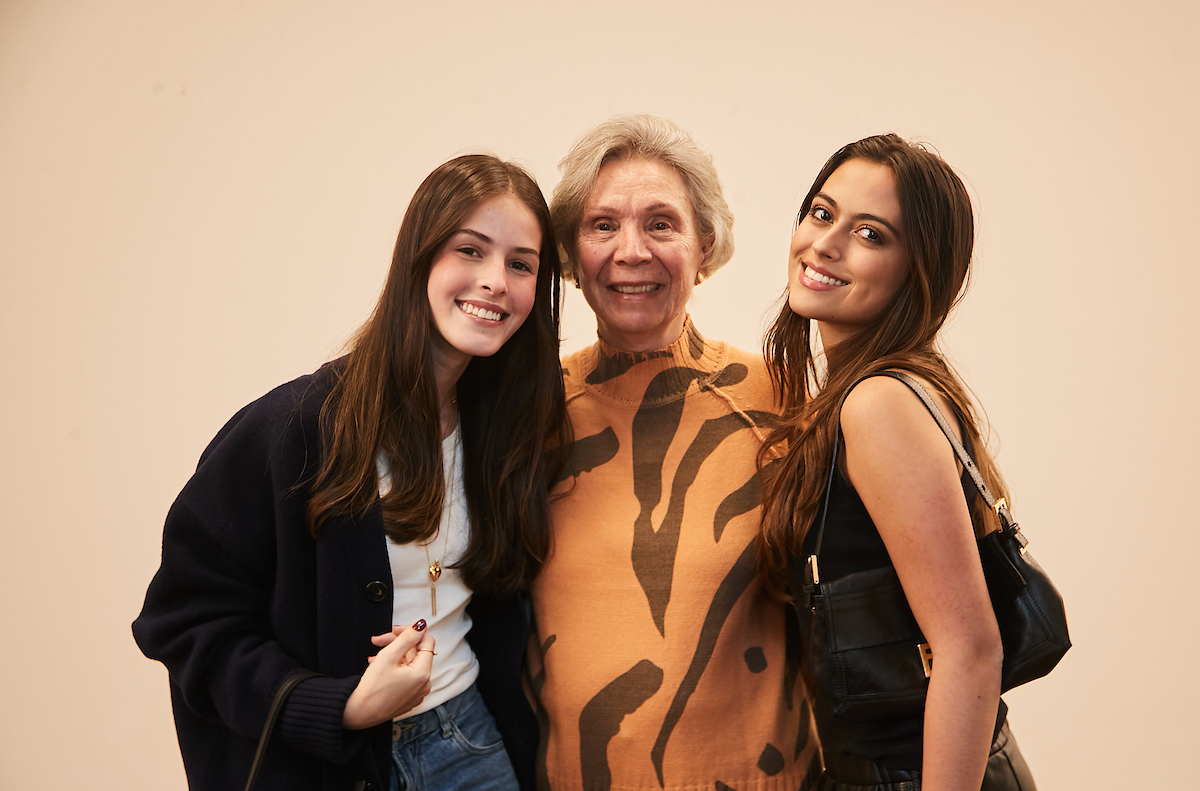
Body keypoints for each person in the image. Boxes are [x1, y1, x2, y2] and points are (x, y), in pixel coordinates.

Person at [133, 154, 566, 791]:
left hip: (469, 744)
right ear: (419, 259)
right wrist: (340, 706)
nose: (496, 281)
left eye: (520, 264)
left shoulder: (511, 430)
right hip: (330, 767)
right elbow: (184, 620)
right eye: (470, 251)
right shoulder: (292, 428)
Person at [530, 114, 820, 790]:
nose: (631, 251)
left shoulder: (777, 400)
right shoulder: (526, 415)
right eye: (603, 225)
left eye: (661, 223)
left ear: (705, 245)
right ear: (570, 254)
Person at [758, 134, 1038, 790]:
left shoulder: (878, 404)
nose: (825, 244)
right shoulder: (881, 391)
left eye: (872, 235)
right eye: (822, 214)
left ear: (921, 269)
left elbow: (970, 650)